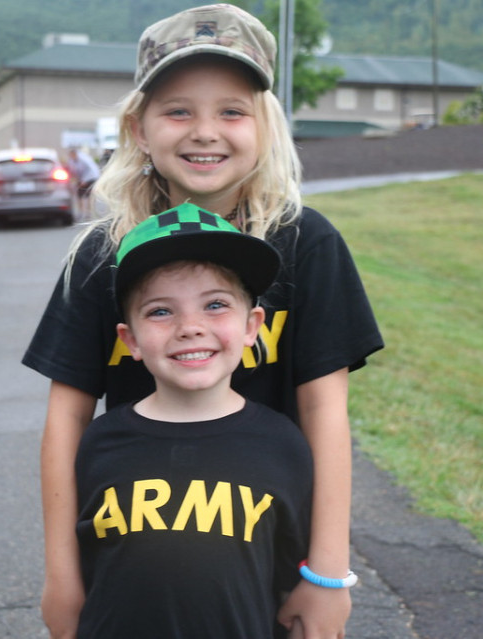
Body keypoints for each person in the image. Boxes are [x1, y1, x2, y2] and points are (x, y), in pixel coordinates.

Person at [24, 4, 383, 637]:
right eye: (178, 110)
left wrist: (326, 575)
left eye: (232, 111)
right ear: (139, 129)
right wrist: (62, 576)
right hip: (131, 562)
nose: (204, 131)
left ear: (265, 126)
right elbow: (67, 418)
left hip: (262, 559)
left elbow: (325, 412)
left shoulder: (307, 244)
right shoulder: (102, 255)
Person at [76, 203, 316, 637]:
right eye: (161, 311)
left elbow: (288, 573)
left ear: (252, 326)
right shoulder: (100, 442)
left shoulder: (283, 445)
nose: (190, 327)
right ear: (129, 340)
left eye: (216, 305)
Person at [65, 148, 101, 220]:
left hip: (91, 178)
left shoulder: (84, 160)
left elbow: (91, 171)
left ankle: (89, 213)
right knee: (79, 196)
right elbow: (73, 171)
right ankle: (81, 212)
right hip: (81, 179)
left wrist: (85, 181)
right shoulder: (72, 161)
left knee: (89, 196)